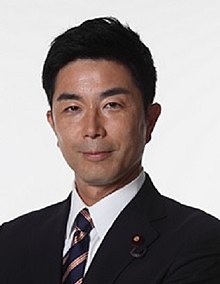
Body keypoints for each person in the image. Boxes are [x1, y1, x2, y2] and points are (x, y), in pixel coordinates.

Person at [0, 17, 220, 284]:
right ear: (53, 124)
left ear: (150, 120)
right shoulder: (10, 241)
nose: (92, 129)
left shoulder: (201, 241)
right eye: (72, 108)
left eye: (112, 105)